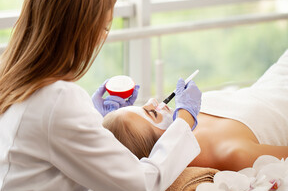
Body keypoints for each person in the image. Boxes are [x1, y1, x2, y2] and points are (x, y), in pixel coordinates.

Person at [0, 0, 202, 191]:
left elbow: (46, 143)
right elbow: (140, 185)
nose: (102, 38)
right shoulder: (58, 99)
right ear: (79, 29)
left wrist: (95, 120)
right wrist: (184, 121)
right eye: (104, 27)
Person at [103, 49, 288, 172]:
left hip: (274, 79)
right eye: (152, 113)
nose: (153, 100)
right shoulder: (230, 154)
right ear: (163, 144)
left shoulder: (186, 115)